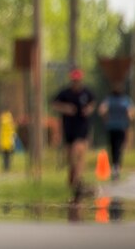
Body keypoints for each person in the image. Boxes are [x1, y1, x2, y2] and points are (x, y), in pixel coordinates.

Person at [51, 68, 95, 201]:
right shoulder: (65, 93)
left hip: (82, 128)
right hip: (69, 128)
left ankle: (78, 181)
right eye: (74, 80)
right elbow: (55, 104)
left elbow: (93, 102)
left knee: (79, 150)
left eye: (78, 80)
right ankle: (73, 179)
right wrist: (66, 109)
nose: (76, 83)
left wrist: (89, 109)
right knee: (70, 156)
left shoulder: (86, 92)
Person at [98, 84, 135, 180]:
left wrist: (105, 118)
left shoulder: (110, 99)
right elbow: (132, 112)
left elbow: (102, 110)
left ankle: (115, 166)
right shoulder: (125, 100)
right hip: (120, 127)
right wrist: (129, 120)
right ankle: (116, 167)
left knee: (113, 147)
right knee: (118, 148)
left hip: (112, 126)